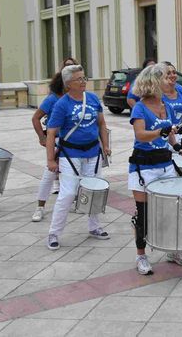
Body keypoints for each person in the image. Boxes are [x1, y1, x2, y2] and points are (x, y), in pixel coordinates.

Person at [129, 64, 182, 274]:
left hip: (165, 164)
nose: (169, 80)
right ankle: (141, 256)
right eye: (164, 77)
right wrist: (160, 131)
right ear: (153, 82)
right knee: (144, 214)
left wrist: (175, 145)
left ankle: (172, 250)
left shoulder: (165, 103)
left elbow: (170, 130)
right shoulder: (140, 107)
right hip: (143, 167)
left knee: (172, 210)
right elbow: (141, 135)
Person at [45, 65, 111, 250]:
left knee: (94, 190)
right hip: (70, 154)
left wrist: (105, 145)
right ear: (68, 84)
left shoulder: (91, 98)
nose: (83, 82)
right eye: (79, 79)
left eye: (84, 78)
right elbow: (51, 133)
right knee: (67, 193)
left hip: (93, 153)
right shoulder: (61, 104)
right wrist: (50, 160)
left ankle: (94, 226)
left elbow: (101, 123)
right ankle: (54, 233)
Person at [30, 72, 64, 222]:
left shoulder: (78, 98)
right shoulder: (52, 99)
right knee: (50, 173)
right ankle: (40, 207)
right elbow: (36, 117)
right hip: (56, 141)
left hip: (74, 143)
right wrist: (42, 137)